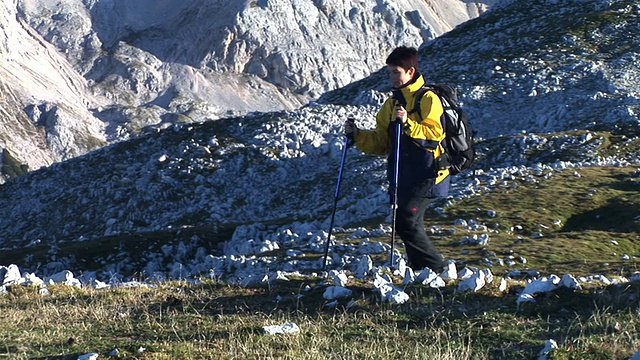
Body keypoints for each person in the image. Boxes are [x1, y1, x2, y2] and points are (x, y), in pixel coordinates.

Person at [344, 46, 450, 273]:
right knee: (406, 222)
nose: (391, 77)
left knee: (405, 219)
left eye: (396, 72)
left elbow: (435, 134)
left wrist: (408, 123)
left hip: (430, 173)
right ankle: (421, 271)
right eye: (390, 72)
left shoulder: (428, 99)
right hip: (406, 174)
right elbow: (383, 143)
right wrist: (357, 135)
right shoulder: (392, 105)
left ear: (411, 72)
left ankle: (438, 269)